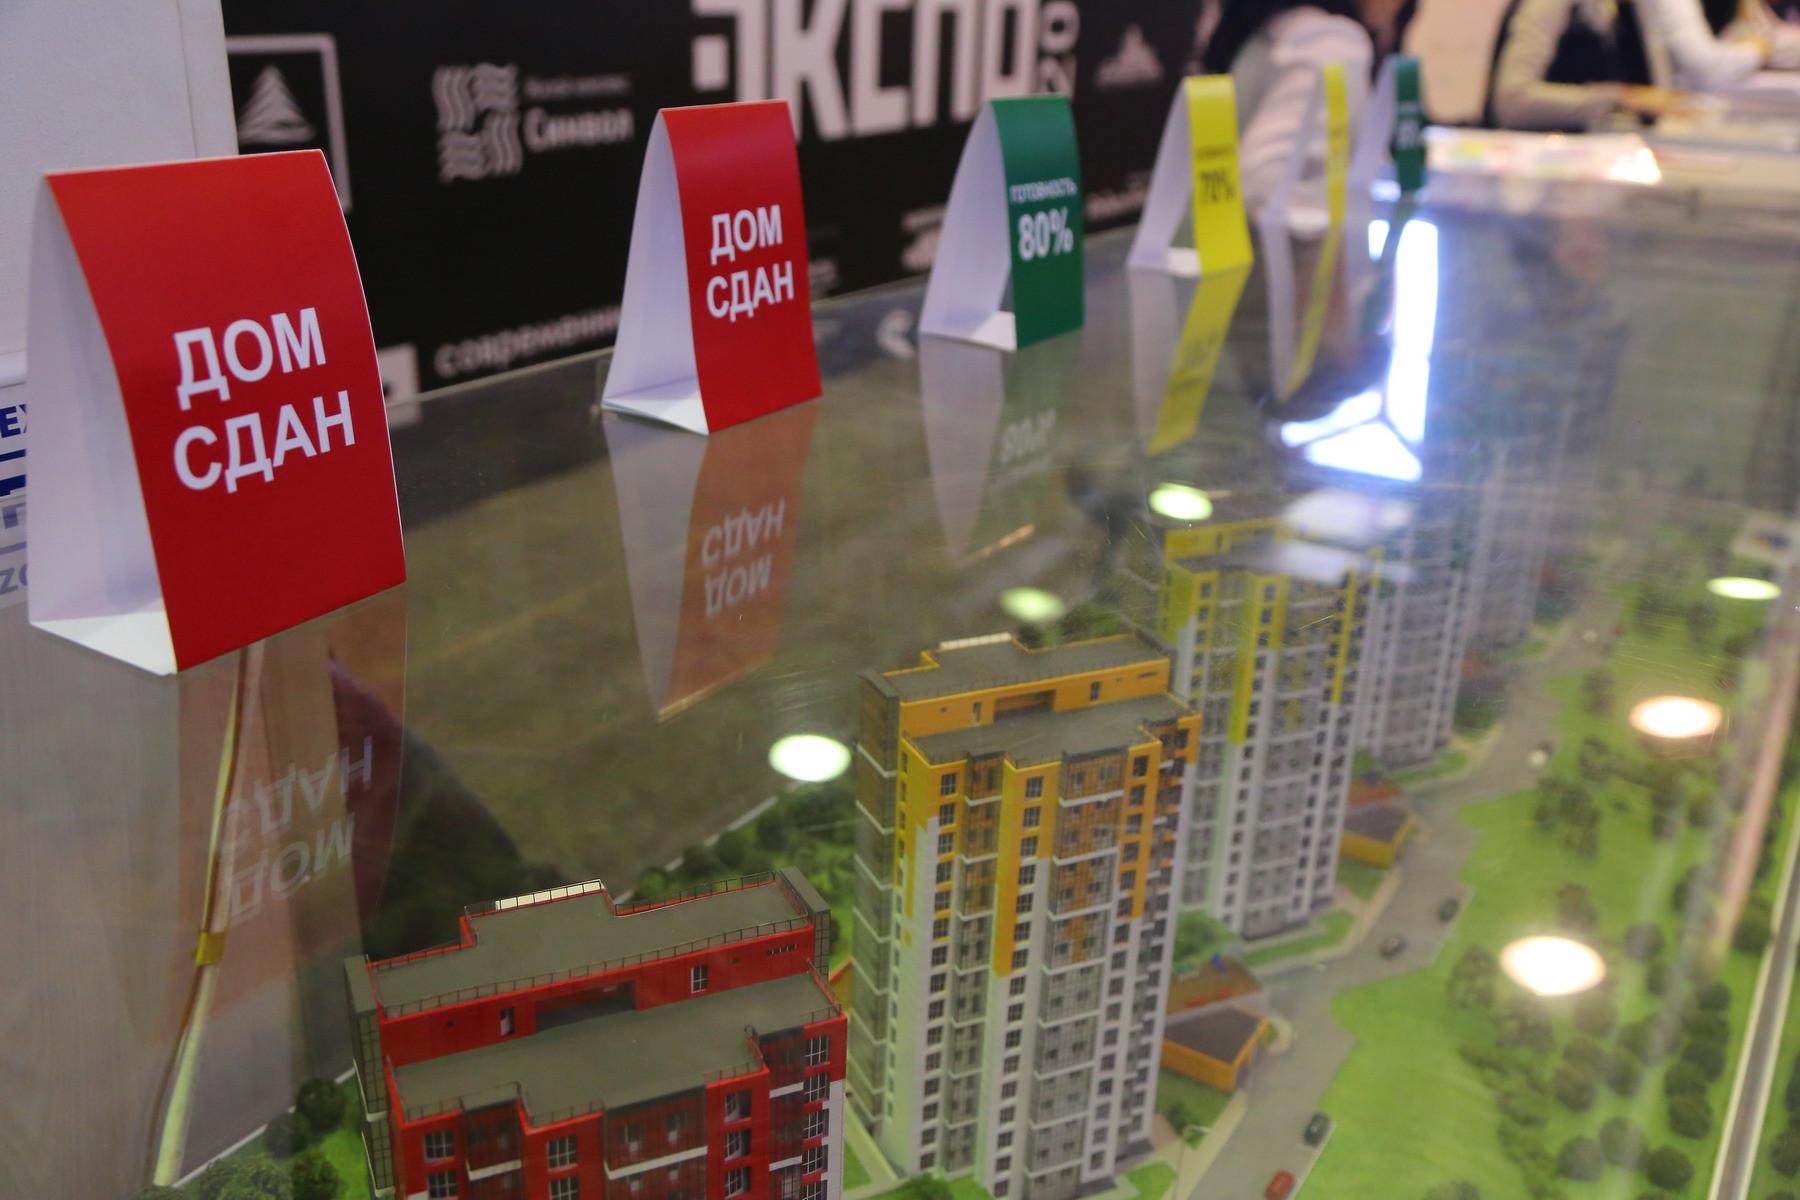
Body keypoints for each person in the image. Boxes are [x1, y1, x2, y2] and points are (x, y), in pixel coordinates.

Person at [1200, 0, 1380, 209]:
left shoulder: (1270, 28)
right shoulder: (1327, 41)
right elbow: (1262, 185)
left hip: (1212, 219)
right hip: (1248, 224)